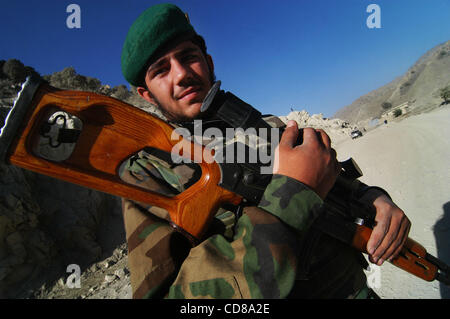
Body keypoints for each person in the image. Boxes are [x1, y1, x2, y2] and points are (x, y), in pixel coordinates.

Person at [119, 3, 410, 299]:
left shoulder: (262, 125)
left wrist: (373, 199)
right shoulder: (148, 172)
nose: (181, 74)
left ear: (208, 62)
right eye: (161, 70)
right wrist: (289, 202)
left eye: (188, 57)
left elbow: (333, 185)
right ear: (147, 95)